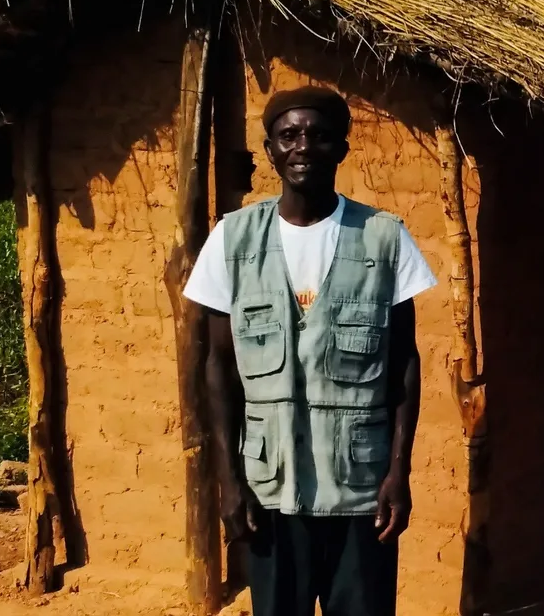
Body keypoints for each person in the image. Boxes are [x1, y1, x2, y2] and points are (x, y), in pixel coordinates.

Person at [184, 86, 437, 616]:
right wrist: (230, 481)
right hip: (270, 491)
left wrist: (398, 472)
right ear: (270, 149)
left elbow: (405, 366)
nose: (304, 147)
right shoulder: (232, 241)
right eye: (289, 136)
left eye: (320, 136)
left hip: (361, 493)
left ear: (341, 149)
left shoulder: (384, 239)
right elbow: (218, 368)